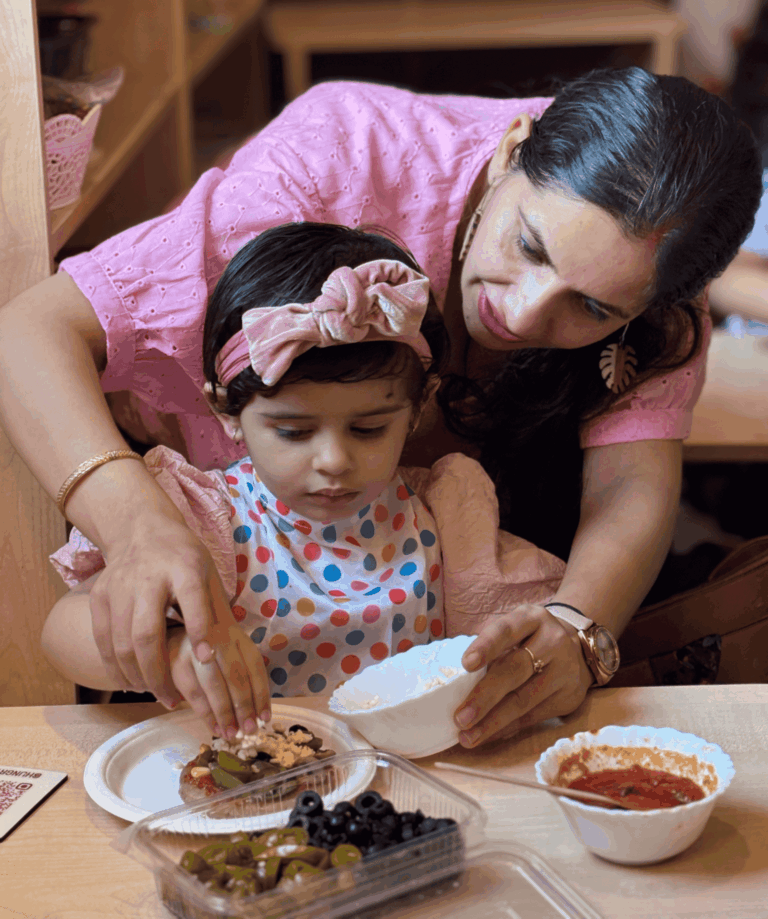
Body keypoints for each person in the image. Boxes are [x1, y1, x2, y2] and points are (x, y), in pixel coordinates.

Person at [0, 66, 760, 749]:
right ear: (510, 150)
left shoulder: (656, 260)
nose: (525, 318)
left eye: (591, 306)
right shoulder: (339, 160)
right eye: (528, 247)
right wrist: (139, 527)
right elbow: (29, 331)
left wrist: (574, 631)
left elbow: (631, 484)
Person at [40, 224, 564, 738]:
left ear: (418, 408)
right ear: (226, 411)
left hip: (411, 779)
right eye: (293, 431)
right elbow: (62, 632)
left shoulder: (441, 514)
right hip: (260, 788)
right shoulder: (210, 521)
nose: (334, 460)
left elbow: (527, 614)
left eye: (369, 428)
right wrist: (173, 648)